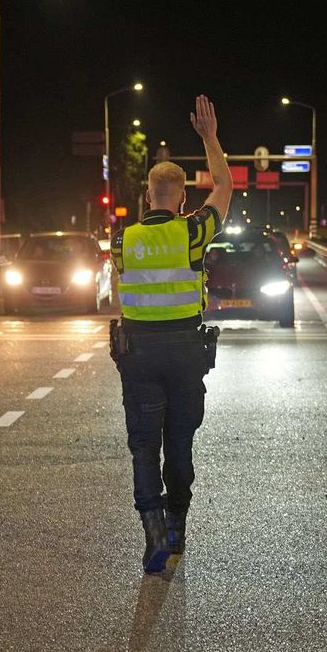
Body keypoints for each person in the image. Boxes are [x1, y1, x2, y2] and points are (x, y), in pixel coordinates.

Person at [109, 95, 232, 573]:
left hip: (139, 351)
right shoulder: (193, 232)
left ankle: (154, 529)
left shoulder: (123, 239)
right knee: (179, 441)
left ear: (146, 198)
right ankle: (177, 525)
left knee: (144, 442)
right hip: (184, 350)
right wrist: (210, 137)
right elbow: (223, 185)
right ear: (182, 198)